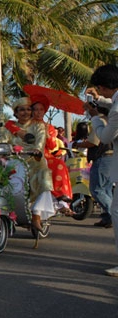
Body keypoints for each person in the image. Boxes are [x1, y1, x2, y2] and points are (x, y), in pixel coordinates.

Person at [0, 97, 55, 232]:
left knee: (45, 177)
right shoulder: (11, 127)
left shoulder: (38, 125)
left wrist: (37, 150)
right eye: (22, 110)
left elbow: (40, 142)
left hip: (34, 162)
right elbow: (1, 141)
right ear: (16, 113)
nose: (26, 112)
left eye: (29, 109)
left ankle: (36, 215)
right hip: (14, 163)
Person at [84, 64, 118, 277]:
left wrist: (95, 117)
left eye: (100, 88)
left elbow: (105, 137)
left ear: (105, 86)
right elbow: (110, 101)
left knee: (116, 211)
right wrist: (98, 101)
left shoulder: (115, 110)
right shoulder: (114, 103)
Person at [82, 88, 113, 228]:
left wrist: (77, 143)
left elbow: (94, 141)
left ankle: (113, 214)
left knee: (97, 189)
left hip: (103, 157)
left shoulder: (99, 121)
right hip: (110, 158)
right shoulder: (109, 119)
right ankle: (107, 217)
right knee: (105, 189)